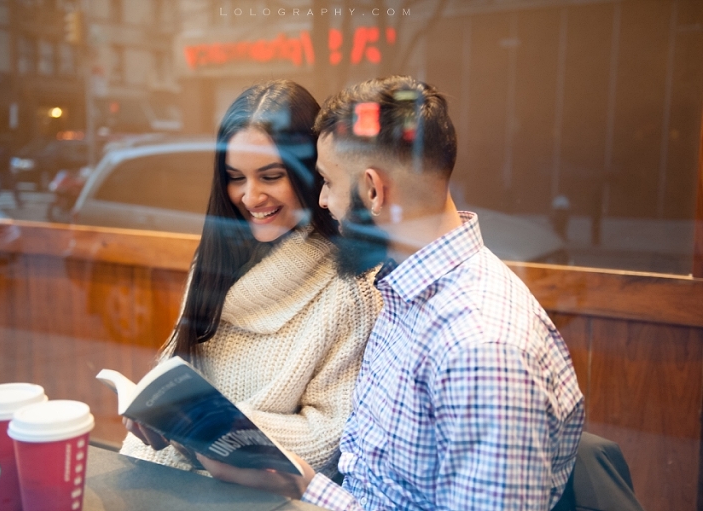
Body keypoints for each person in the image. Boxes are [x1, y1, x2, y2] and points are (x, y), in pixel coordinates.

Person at [193, 75, 585, 510]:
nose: (321, 201)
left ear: (373, 191)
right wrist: (297, 482)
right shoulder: (403, 294)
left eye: (327, 182)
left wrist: (302, 485)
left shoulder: (483, 347)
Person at [121, 80, 382, 477]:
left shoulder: (351, 286)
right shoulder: (216, 258)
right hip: (163, 475)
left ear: (310, 174)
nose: (250, 196)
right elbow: (176, 371)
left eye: (271, 176)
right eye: (236, 177)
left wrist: (212, 425)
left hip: (256, 493)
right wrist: (151, 411)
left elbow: (330, 436)